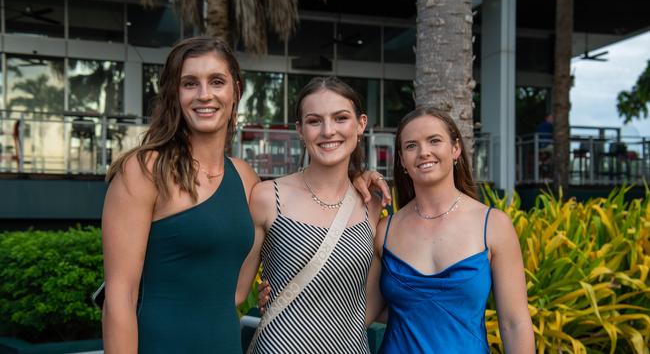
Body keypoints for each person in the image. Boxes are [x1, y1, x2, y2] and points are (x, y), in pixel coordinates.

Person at [101, 37, 389, 354]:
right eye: (189, 83)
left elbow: (238, 290)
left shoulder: (245, 178)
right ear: (175, 93)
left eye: (217, 81)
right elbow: (120, 295)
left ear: (235, 90)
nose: (204, 95)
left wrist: (357, 177)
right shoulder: (143, 171)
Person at [367, 109, 535, 353]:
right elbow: (360, 313)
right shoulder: (385, 229)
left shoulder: (493, 225)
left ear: (455, 149)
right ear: (402, 160)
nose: (424, 151)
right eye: (411, 145)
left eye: (434, 140)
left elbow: (514, 324)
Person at [238, 77, 385, 353]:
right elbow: (234, 288)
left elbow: (376, 295)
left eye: (341, 118)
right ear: (300, 130)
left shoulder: (371, 203)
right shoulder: (268, 196)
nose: (328, 131)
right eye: (315, 121)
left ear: (361, 124)